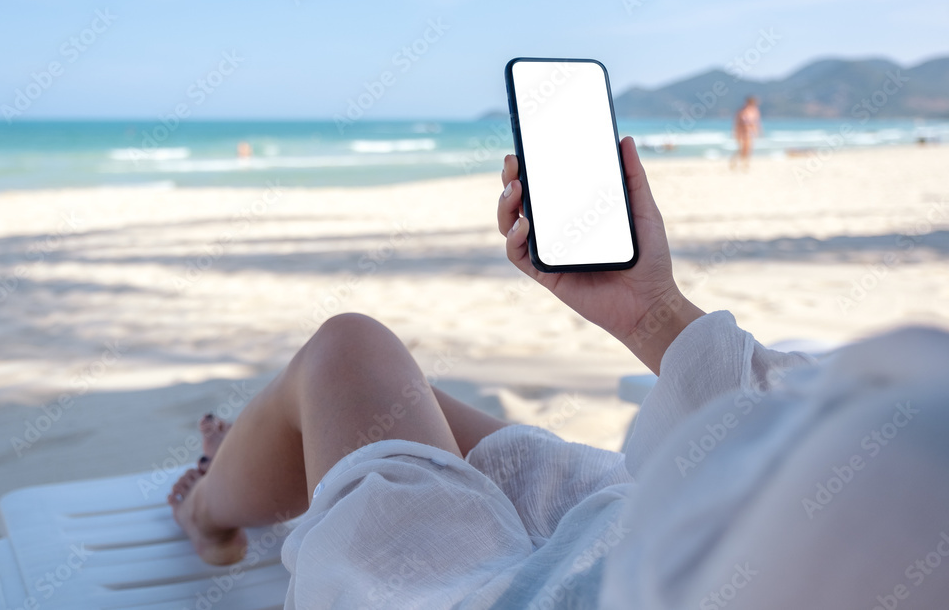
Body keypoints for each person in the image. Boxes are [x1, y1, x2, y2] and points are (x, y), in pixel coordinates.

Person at [167, 138, 949, 608]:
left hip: (599, 573)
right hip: (640, 524)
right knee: (395, 405)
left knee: (349, 349)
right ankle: (285, 463)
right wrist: (651, 310)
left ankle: (209, 512)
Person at [730, 96, 761, 171]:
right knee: (743, 148)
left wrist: (757, 131)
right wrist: (735, 132)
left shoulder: (755, 111)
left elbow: (757, 123)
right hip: (742, 132)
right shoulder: (742, 111)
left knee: (748, 148)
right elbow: (737, 123)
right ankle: (738, 161)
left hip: (749, 132)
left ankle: (744, 163)